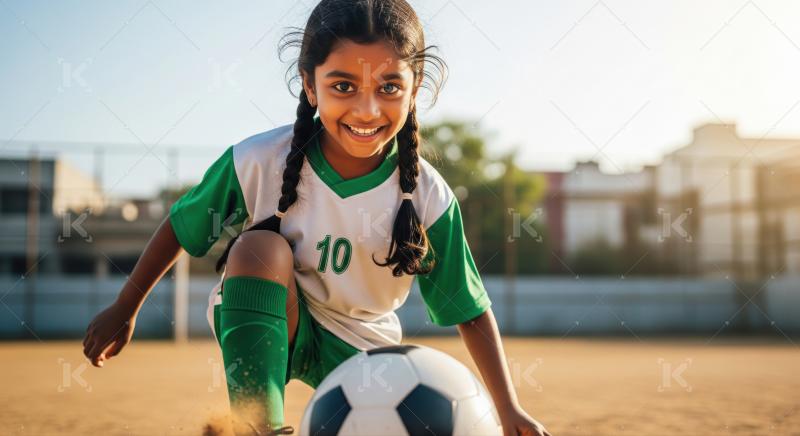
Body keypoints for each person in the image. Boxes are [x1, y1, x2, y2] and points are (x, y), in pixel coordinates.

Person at [83, 1, 551, 434]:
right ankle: (255, 426)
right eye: (343, 86)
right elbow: (181, 227)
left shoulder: (429, 197)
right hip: (276, 318)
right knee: (257, 248)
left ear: (415, 89)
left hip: (365, 352)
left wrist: (507, 407)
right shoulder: (257, 160)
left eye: (389, 87)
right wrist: (126, 308)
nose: (366, 109)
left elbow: (469, 310)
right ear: (310, 85)